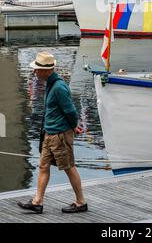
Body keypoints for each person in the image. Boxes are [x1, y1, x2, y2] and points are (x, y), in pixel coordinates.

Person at [17, 52, 88, 215]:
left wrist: (74, 126)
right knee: (43, 166)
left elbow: (70, 111)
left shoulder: (59, 87)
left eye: (37, 70)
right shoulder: (50, 83)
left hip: (60, 135)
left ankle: (81, 202)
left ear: (47, 70)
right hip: (49, 134)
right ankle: (37, 202)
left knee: (69, 167)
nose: (35, 72)